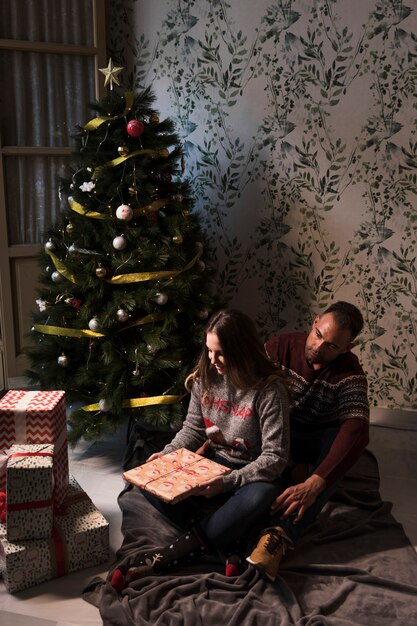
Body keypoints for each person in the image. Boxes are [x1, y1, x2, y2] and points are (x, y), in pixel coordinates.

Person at [111, 308, 290, 590]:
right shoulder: (204, 378)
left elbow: (275, 458)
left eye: (220, 353)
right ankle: (229, 542)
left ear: (242, 350)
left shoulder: (269, 391)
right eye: (209, 351)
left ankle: (168, 557)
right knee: (147, 482)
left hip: (248, 477)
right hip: (211, 465)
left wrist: (228, 482)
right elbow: (193, 430)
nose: (212, 360)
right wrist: (167, 457)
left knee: (263, 496)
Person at [246, 301, 370, 581]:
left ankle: (278, 535)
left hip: (315, 437)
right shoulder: (280, 347)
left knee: (338, 444)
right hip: (277, 433)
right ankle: (290, 473)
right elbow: (246, 393)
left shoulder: (349, 373)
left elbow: (357, 430)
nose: (318, 347)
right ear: (314, 322)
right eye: (318, 335)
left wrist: (317, 481)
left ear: (346, 349)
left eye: (331, 346)